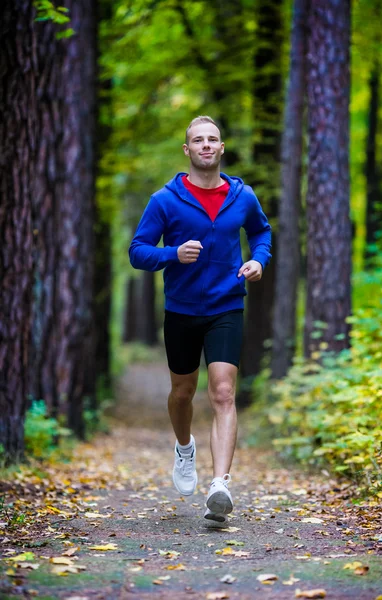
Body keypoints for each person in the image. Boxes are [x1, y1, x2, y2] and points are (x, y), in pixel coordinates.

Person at [129, 116, 271, 523]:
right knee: (182, 393)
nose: (206, 145)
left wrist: (258, 260)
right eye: (198, 140)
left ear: (222, 148)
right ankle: (184, 447)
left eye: (212, 139)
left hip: (227, 304)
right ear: (187, 150)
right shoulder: (165, 200)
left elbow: (262, 233)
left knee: (223, 392)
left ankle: (220, 485)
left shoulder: (242, 196)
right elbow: (138, 251)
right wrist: (172, 254)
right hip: (181, 309)